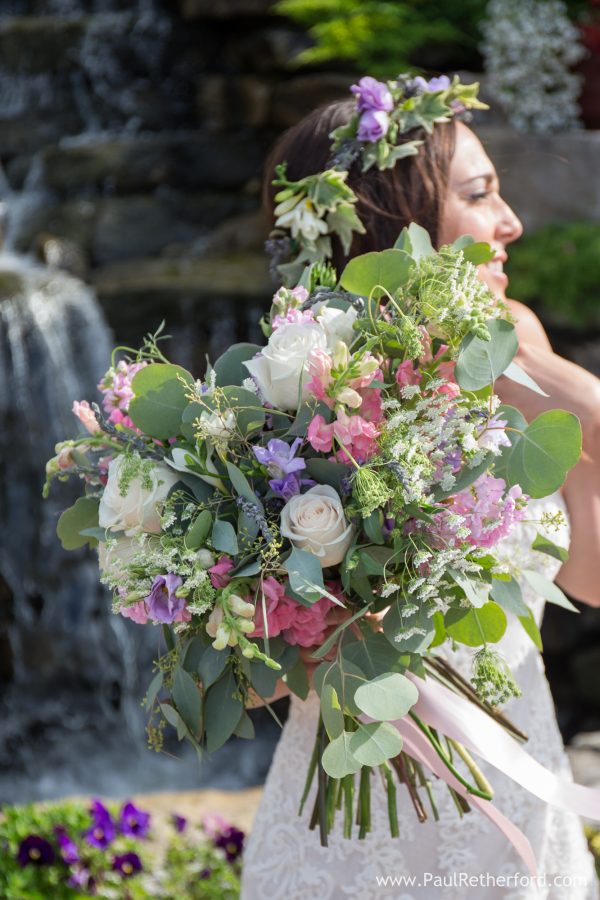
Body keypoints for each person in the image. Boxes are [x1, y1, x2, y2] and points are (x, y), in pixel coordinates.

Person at [240, 83, 600, 899]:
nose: (511, 222)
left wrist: (567, 398)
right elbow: (250, 682)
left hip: (515, 792)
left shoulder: (519, 342)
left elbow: (589, 578)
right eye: (480, 195)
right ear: (394, 220)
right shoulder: (297, 399)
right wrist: (330, 607)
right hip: (347, 830)